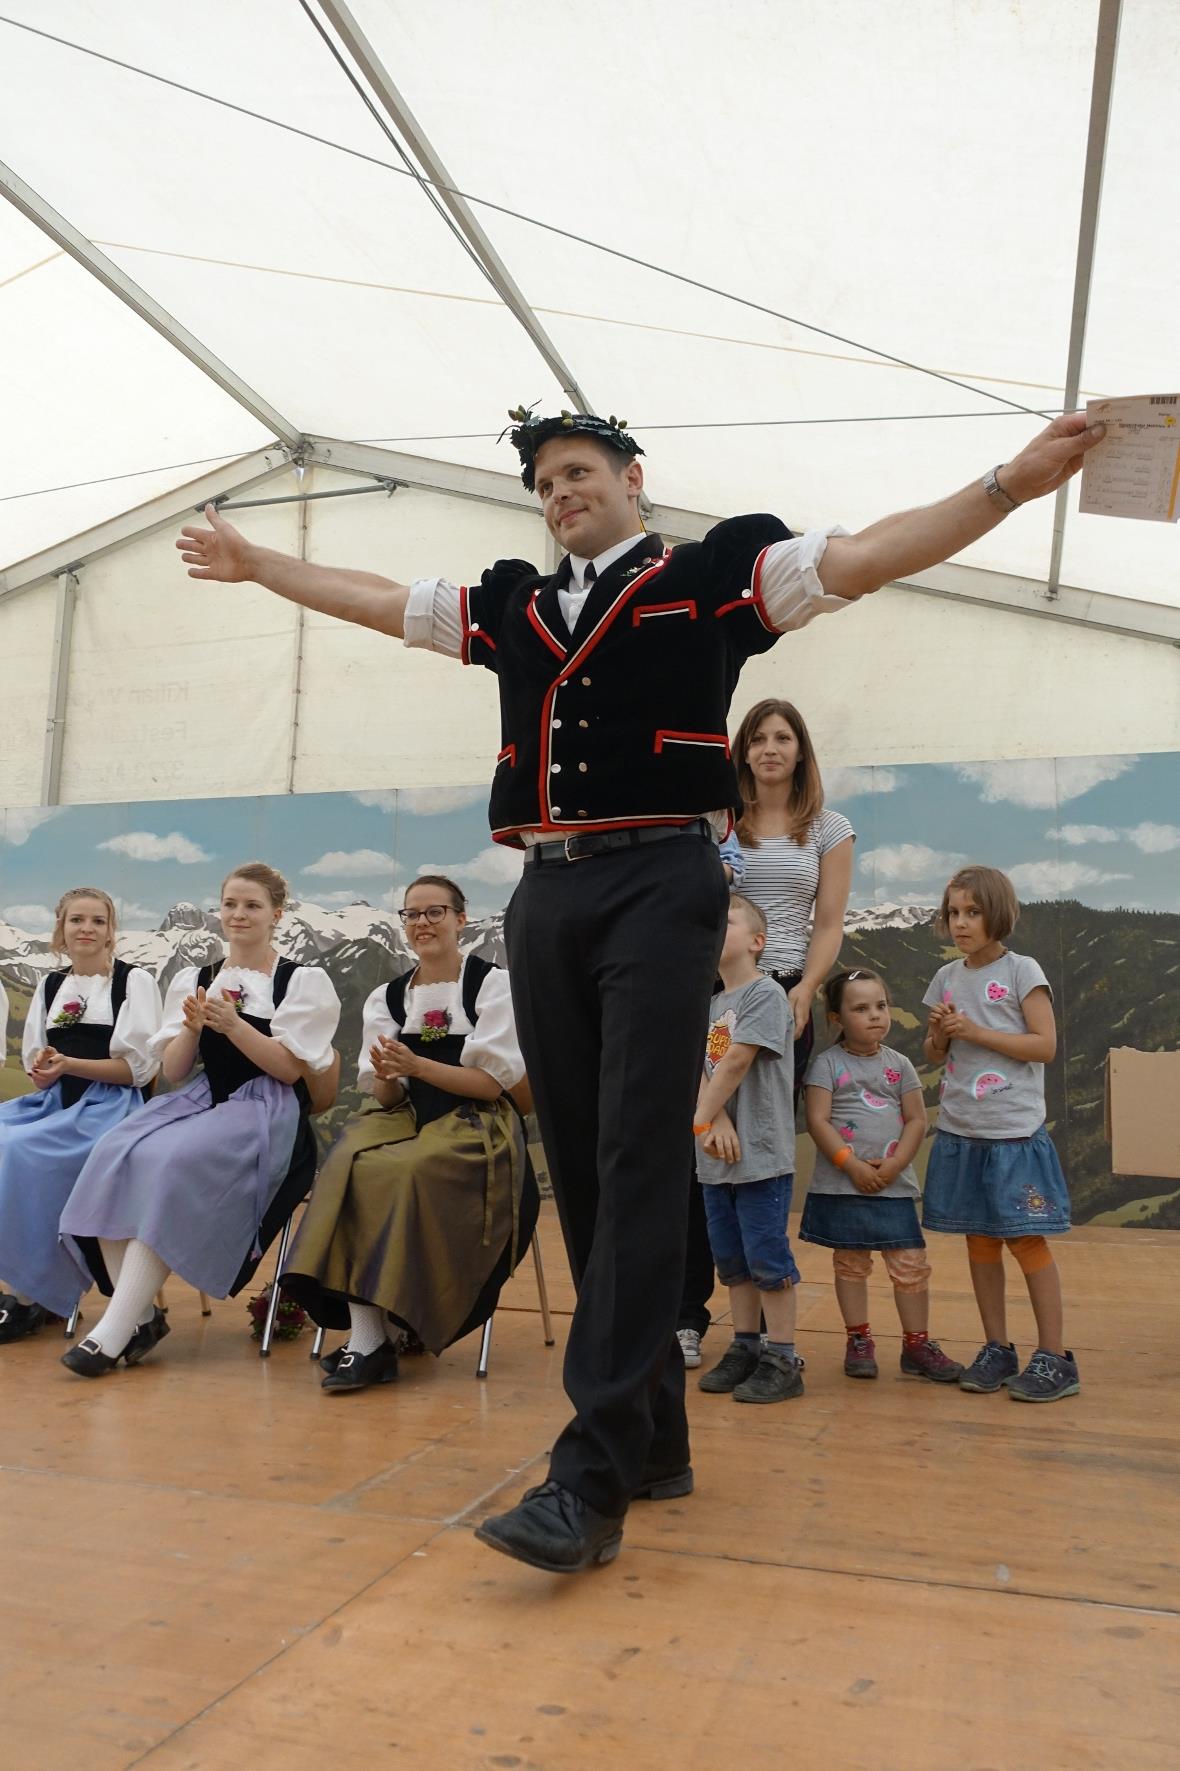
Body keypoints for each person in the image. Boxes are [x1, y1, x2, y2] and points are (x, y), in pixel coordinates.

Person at [178, 405, 1103, 1571]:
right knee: (592, 1169)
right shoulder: (514, 603)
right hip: (546, 893)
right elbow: (379, 599)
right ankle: (656, 1438)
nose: (560, 492)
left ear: (631, 479)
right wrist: (260, 565)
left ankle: (592, 1472)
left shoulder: (708, 579)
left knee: (635, 1158)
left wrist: (1008, 484)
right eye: (545, 482)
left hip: (665, 878)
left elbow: (866, 556)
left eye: (578, 472)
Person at [59, 863, 340, 1376]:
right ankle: (138, 1315)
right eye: (230, 904)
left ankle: (114, 1331)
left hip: (267, 1111)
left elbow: (288, 1069)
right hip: (205, 1098)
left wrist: (233, 1025)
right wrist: (190, 1029)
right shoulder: (198, 977)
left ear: (277, 914)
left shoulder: (301, 980)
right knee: (114, 1152)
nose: (238, 914)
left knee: (170, 1162)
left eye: (252, 905)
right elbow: (173, 1070)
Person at [279, 874, 537, 1393]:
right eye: (412, 914)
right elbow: (388, 1096)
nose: (422, 923)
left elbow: (489, 1086)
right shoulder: (388, 997)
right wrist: (393, 1076)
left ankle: (374, 1341)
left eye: (435, 912)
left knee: (395, 1170)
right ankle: (369, 1338)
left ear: (461, 919)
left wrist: (417, 1065)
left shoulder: (492, 985)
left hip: (476, 1125)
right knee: (347, 1160)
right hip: (411, 1114)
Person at [679, 696, 853, 1368]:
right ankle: (698, 1317)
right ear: (742, 751)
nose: (770, 748)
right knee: (704, 1150)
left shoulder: (829, 828)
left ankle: (772, 1339)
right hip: (713, 991)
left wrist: (806, 988)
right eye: (758, 738)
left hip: (784, 992)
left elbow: (829, 921)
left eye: (783, 737)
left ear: (801, 750)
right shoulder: (719, 824)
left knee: (757, 1150)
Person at [922, 866, 1077, 1402]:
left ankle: (1056, 1357)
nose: (960, 923)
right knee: (979, 1239)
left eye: (972, 912)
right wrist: (941, 1035)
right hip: (962, 1132)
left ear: (998, 914)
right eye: (953, 914)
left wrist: (977, 1031)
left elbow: (1045, 1046)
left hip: (1013, 1133)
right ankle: (997, 1348)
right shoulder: (945, 980)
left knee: (1026, 1240)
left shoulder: (1021, 970)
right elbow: (934, 1054)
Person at [0, 889, 161, 1342]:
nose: (86, 929)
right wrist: (44, 1071)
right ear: (61, 928)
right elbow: (38, 1067)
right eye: (76, 920)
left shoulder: (134, 982)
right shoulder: (52, 985)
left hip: (109, 1106)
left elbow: (137, 1070)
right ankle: (27, 1286)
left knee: (24, 1150)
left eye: (98, 921)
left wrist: (71, 1065)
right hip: (57, 1102)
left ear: (111, 931)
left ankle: (29, 1294)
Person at [803, 968, 961, 1383]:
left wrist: (893, 1166)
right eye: (860, 1008)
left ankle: (916, 1345)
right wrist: (850, 1164)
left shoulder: (902, 1064)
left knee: (910, 1265)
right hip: (843, 1184)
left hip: (893, 1186)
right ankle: (858, 1340)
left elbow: (915, 1120)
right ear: (836, 1018)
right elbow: (818, 1120)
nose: (875, 1015)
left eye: (881, 1005)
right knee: (851, 1264)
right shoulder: (826, 1064)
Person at [693, 896, 803, 1404]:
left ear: (757, 942)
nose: (717, 925)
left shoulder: (766, 994)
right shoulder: (710, 1003)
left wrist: (698, 1119)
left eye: (727, 919)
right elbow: (701, 1072)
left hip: (758, 1155)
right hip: (715, 1157)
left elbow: (736, 1061)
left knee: (767, 1256)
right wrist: (712, 1120)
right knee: (732, 1261)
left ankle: (783, 1355)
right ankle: (745, 1345)